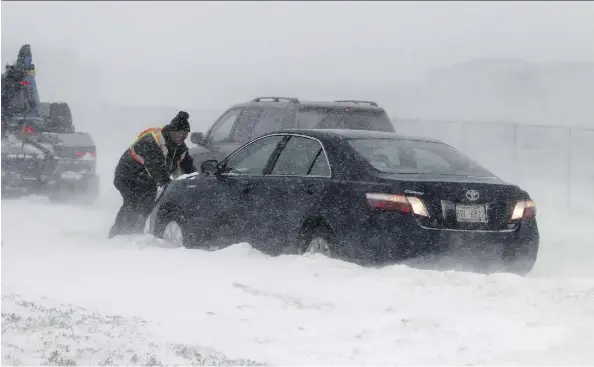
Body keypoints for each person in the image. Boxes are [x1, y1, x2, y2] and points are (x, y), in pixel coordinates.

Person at [108, 111, 197, 238]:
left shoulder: (180, 148)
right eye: (179, 134)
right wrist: (167, 184)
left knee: (147, 205)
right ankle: (117, 233)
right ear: (171, 131)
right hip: (127, 175)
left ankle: (135, 233)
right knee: (132, 202)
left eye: (185, 134)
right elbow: (156, 168)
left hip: (147, 179)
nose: (182, 137)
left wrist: (195, 181)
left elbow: (188, 168)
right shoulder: (153, 141)